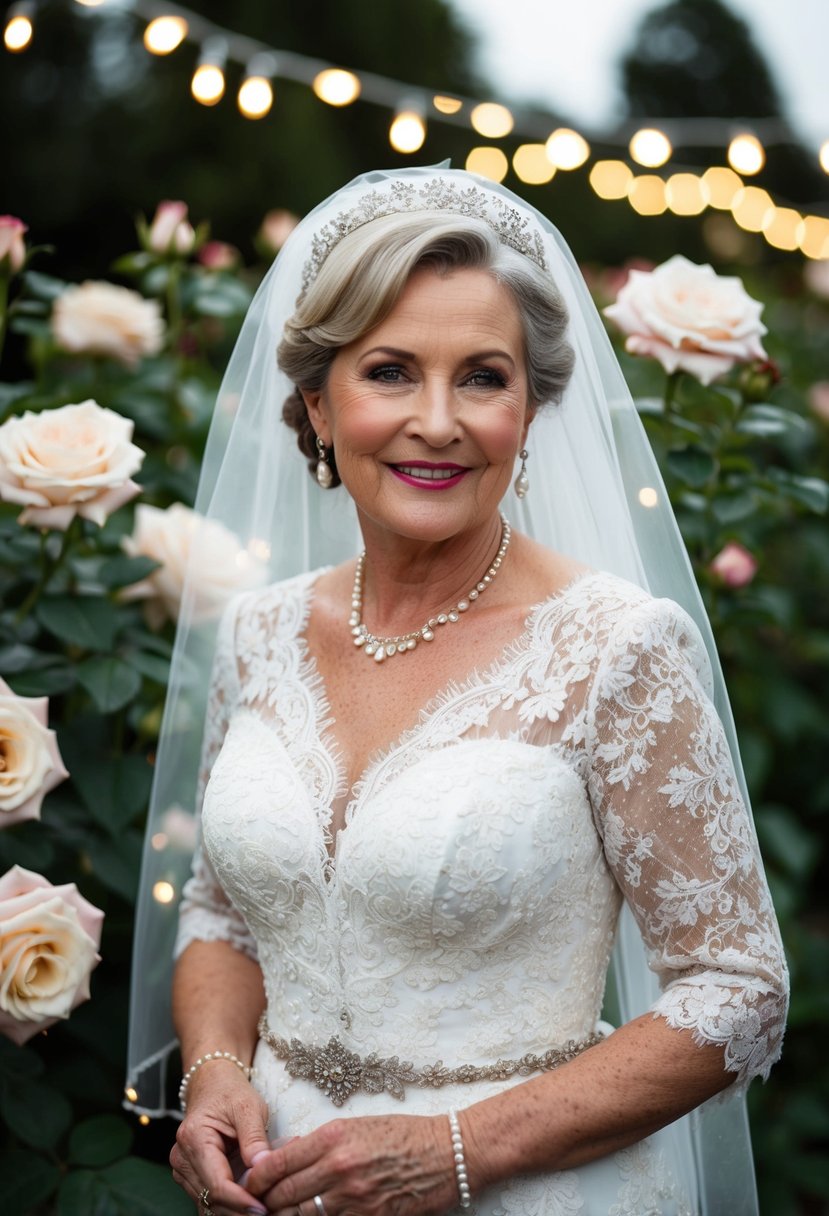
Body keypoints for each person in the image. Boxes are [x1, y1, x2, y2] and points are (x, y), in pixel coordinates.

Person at [126, 166, 788, 1216]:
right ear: (315, 402)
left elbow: (738, 991)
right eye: (389, 371)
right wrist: (214, 1071)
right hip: (281, 1187)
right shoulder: (261, 633)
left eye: (482, 377)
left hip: (535, 1189)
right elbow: (223, 909)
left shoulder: (617, 646)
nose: (436, 421)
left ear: (530, 411)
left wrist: (457, 1150)